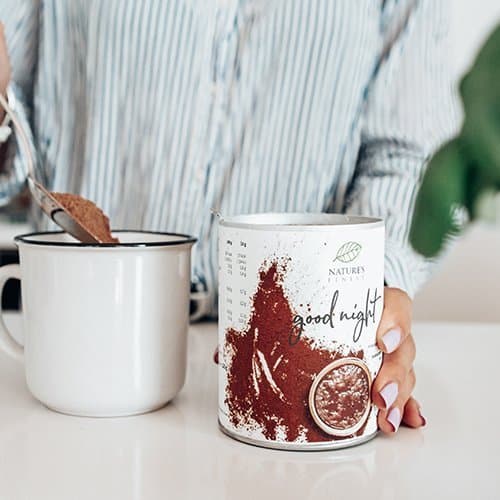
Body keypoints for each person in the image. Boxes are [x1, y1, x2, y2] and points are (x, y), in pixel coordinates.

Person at [0, 1, 459, 434]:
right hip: (78, 347)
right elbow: (12, 112)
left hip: (286, 357)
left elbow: (410, 159)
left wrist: (365, 298)